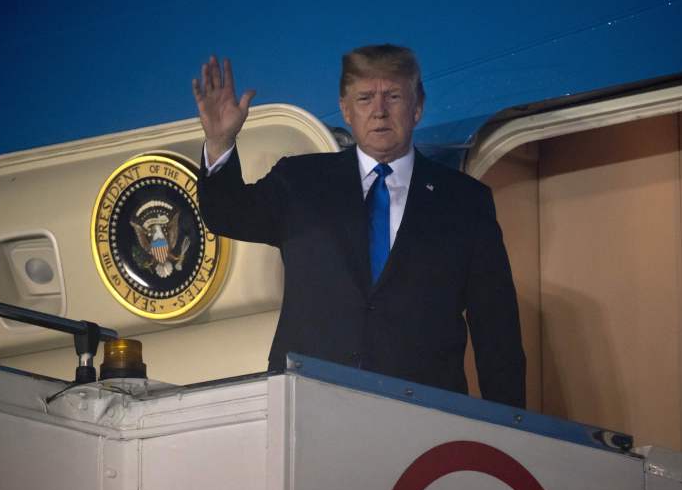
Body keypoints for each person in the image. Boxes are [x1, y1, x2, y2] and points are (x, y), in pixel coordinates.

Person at [192, 44, 526, 407]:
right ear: (346, 110)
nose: (379, 111)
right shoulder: (301, 183)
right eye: (365, 98)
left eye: (393, 96)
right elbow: (227, 214)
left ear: (417, 106)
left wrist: (510, 428)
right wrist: (220, 142)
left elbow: (497, 334)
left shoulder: (465, 202)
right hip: (309, 407)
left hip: (424, 419)